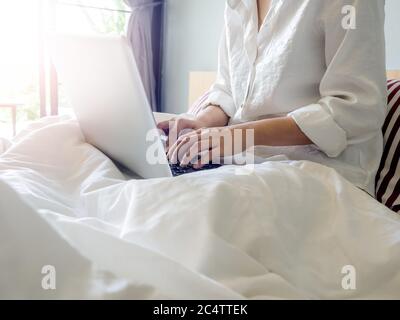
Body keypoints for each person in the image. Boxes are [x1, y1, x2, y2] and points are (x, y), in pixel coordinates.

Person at [158, 0, 387, 195]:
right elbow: (228, 89)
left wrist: (236, 137)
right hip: (236, 163)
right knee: (149, 184)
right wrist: (203, 123)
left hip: (316, 174)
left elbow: (355, 109)